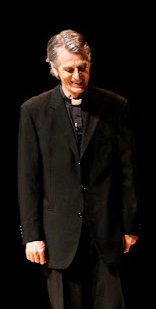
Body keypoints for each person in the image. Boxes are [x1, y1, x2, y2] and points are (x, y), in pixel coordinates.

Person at [18, 29, 141, 309]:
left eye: (82, 68)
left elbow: (128, 171)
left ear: (90, 63)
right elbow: (28, 179)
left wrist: (130, 224)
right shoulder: (33, 111)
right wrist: (32, 235)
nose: (77, 76)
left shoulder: (116, 106)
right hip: (58, 236)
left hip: (107, 234)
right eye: (68, 69)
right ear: (53, 68)